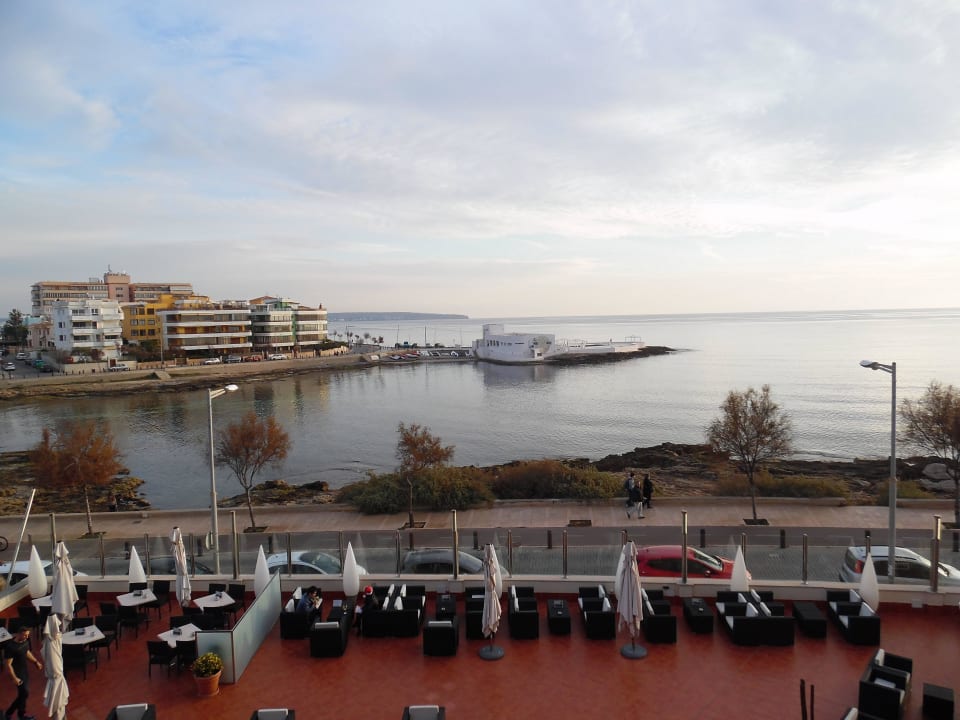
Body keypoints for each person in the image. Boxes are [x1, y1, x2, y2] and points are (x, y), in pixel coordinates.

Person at [5, 624, 43, 720]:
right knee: (25, 693)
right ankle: (18, 715)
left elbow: (27, 652)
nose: (27, 637)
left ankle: (12, 713)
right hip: (17, 673)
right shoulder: (11, 647)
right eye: (25, 635)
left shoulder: (25, 642)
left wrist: (36, 662)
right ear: (19, 634)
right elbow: (8, 664)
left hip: (24, 671)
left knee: (23, 694)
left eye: (28, 635)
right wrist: (14, 678)